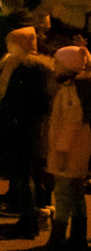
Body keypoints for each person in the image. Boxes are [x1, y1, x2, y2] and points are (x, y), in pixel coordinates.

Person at [0, 16, 56, 239]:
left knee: (24, 176)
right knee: (27, 176)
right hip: (25, 130)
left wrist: (16, 121)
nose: (9, 47)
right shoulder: (18, 66)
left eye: (12, 43)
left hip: (24, 131)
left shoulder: (29, 69)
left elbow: (30, 103)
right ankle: (29, 220)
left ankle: (28, 223)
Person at [45, 46, 91, 251]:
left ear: (67, 66)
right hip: (78, 150)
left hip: (70, 153)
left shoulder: (71, 91)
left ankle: (56, 240)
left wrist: (61, 151)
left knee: (63, 195)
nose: (54, 67)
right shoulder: (75, 88)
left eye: (57, 63)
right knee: (76, 193)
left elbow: (71, 122)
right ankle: (78, 237)